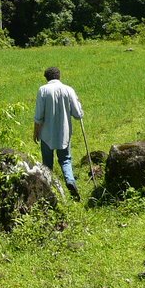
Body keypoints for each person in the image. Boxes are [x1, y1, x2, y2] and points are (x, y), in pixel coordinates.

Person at [33, 66, 84, 201]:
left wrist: (35, 132)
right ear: (59, 76)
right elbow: (78, 114)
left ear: (46, 78)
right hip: (64, 133)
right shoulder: (68, 89)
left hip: (46, 134)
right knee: (65, 159)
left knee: (47, 163)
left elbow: (39, 115)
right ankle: (70, 181)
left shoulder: (43, 90)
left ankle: (49, 190)